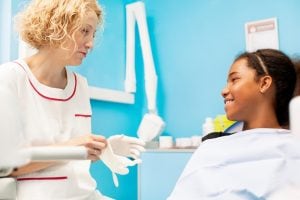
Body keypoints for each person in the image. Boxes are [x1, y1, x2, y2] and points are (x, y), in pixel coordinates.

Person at [0, 0, 144, 199]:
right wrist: (73, 148)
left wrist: (101, 149)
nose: (91, 43)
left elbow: (74, 155)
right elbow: (5, 165)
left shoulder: (80, 86)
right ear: (56, 25)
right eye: (84, 31)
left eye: (93, 34)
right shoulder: (9, 78)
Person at [168, 49, 300, 200]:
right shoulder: (212, 147)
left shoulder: (295, 147)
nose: (224, 91)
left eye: (234, 80)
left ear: (264, 83)